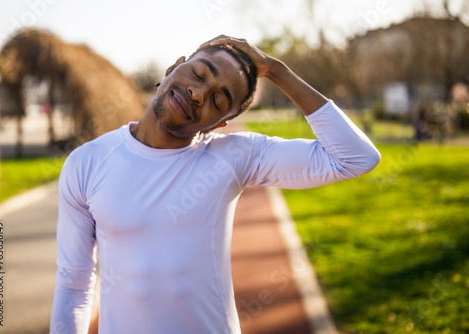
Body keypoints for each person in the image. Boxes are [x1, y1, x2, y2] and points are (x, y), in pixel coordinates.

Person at [50, 35, 380, 334]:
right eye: (198, 73)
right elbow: (74, 283)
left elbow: (355, 157)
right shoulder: (87, 162)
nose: (197, 93)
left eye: (218, 100)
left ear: (221, 123)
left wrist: (277, 70)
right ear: (174, 67)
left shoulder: (234, 156)